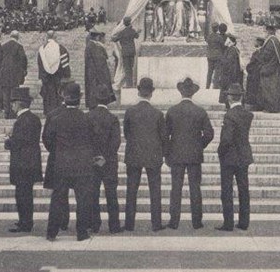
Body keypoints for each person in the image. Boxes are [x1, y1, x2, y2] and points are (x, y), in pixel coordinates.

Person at [43, 82, 96, 242]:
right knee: (83, 199)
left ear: (64, 98)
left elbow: (47, 140)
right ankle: (81, 232)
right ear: (79, 99)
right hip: (82, 165)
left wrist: (58, 151)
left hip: (61, 164)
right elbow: (93, 140)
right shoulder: (86, 118)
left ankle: (52, 232)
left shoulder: (56, 118)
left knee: (58, 198)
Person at [165, 77, 214, 230]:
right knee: (195, 188)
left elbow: (165, 135)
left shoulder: (172, 111)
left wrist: (168, 152)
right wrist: (200, 145)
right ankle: (197, 222)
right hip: (194, 155)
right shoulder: (200, 111)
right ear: (193, 93)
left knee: (176, 189)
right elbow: (209, 134)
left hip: (176, 155)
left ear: (181, 92)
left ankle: (174, 221)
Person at [123, 77, 167, 232]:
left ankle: (129, 224)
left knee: (131, 190)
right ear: (152, 92)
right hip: (153, 155)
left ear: (138, 90)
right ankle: (156, 223)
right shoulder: (158, 114)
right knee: (155, 190)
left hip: (134, 154)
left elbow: (127, 133)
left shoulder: (130, 112)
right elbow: (163, 137)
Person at [215, 83, 253, 232]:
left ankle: (228, 222)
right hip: (243, 155)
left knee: (227, 191)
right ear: (241, 97)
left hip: (229, 157)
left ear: (229, 98)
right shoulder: (247, 115)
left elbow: (226, 139)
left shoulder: (229, 115)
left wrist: (220, 151)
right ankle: (244, 222)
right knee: (244, 189)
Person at [4, 86, 42, 233]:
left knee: (22, 195)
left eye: (13, 103)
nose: (12, 106)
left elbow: (16, 143)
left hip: (21, 164)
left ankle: (25, 222)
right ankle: (26, 221)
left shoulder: (21, 121)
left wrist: (8, 137)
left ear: (18, 104)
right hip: (32, 163)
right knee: (27, 194)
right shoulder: (34, 119)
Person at [87, 84, 122, 234]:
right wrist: (105, 157)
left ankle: (95, 224)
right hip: (109, 162)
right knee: (111, 194)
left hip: (92, 162)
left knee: (93, 193)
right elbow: (116, 142)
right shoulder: (112, 118)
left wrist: (95, 157)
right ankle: (114, 225)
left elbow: (86, 140)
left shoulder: (88, 116)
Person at [257, 25, 280, 113]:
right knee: (273, 88)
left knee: (271, 89)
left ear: (269, 32)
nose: (264, 33)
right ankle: (271, 107)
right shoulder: (273, 41)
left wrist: (259, 54)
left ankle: (272, 107)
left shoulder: (271, 41)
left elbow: (266, 56)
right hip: (273, 68)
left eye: (265, 31)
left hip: (271, 70)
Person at [38, 30, 71, 115]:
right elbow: (65, 64)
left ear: (47, 37)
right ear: (55, 37)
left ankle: (48, 113)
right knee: (58, 96)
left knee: (48, 97)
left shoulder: (42, 50)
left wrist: (42, 77)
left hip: (47, 79)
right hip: (58, 78)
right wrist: (67, 75)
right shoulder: (61, 49)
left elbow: (40, 64)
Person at [84, 28, 116, 110]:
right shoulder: (94, 47)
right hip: (95, 75)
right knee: (95, 95)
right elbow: (100, 63)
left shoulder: (90, 45)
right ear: (97, 37)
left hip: (91, 74)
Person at [0, 30, 28, 119]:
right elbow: (23, 59)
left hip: (3, 73)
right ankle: (12, 112)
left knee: (5, 94)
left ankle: (6, 112)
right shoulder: (19, 47)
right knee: (13, 94)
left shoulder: (3, 46)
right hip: (14, 74)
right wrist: (24, 70)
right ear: (17, 37)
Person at [111, 17, 138, 88]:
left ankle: (129, 84)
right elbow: (137, 36)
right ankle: (130, 83)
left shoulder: (122, 32)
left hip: (125, 52)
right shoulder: (132, 31)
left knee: (127, 68)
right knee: (131, 67)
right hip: (132, 52)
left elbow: (114, 39)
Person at [218, 34, 243, 106]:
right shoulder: (232, 49)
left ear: (231, 42)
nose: (225, 41)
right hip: (230, 74)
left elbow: (228, 62)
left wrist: (221, 60)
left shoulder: (232, 50)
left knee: (228, 91)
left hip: (229, 75)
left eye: (227, 40)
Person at [244, 37, 264, 110]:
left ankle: (255, 105)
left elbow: (253, 64)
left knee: (254, 90)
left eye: (256, 41)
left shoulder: (258, 53)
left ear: (259, 43)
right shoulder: (259, 52)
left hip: (255, 75)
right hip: (254, 74)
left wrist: (249, 68)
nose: (254, 42)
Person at [205, 23, 226, 90]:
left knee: (209, 72)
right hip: (217, 56)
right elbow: (223, 46)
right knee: (217, 72)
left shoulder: (209, 37)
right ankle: (215, 86)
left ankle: (207, 86)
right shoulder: (219, 37)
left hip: (210, 56)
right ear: (217, 29)